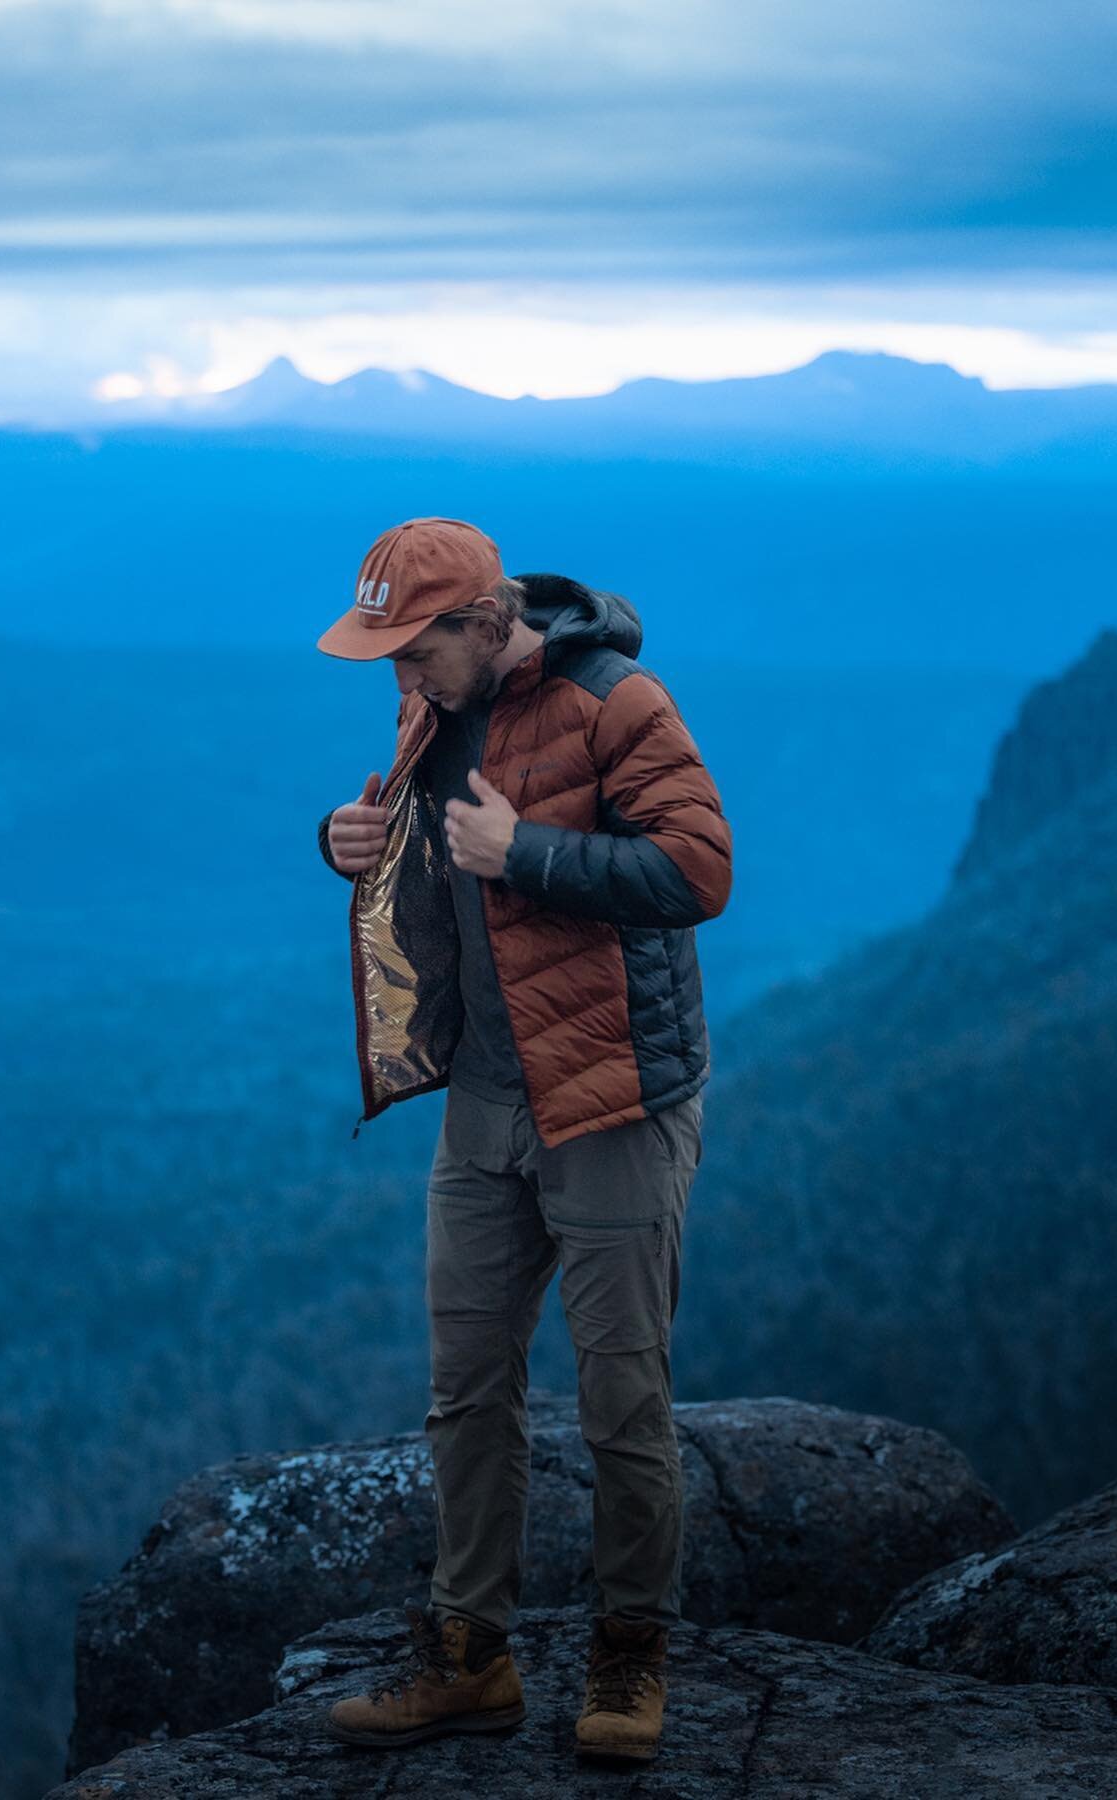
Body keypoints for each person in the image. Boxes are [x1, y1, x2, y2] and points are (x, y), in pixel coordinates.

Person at [314, 516, 732, 1762]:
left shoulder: (616, 700)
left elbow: (699, 870)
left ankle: (630, 1656)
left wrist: (528, 853)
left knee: (620, 1398)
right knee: (467, 1392)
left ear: (483, 623)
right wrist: (349, 844)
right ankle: (471, 1657)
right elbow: (430, 859)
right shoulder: (430, 711)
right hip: (487, 1100)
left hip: (611, 1099)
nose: (398, 678)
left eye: (412, 652)